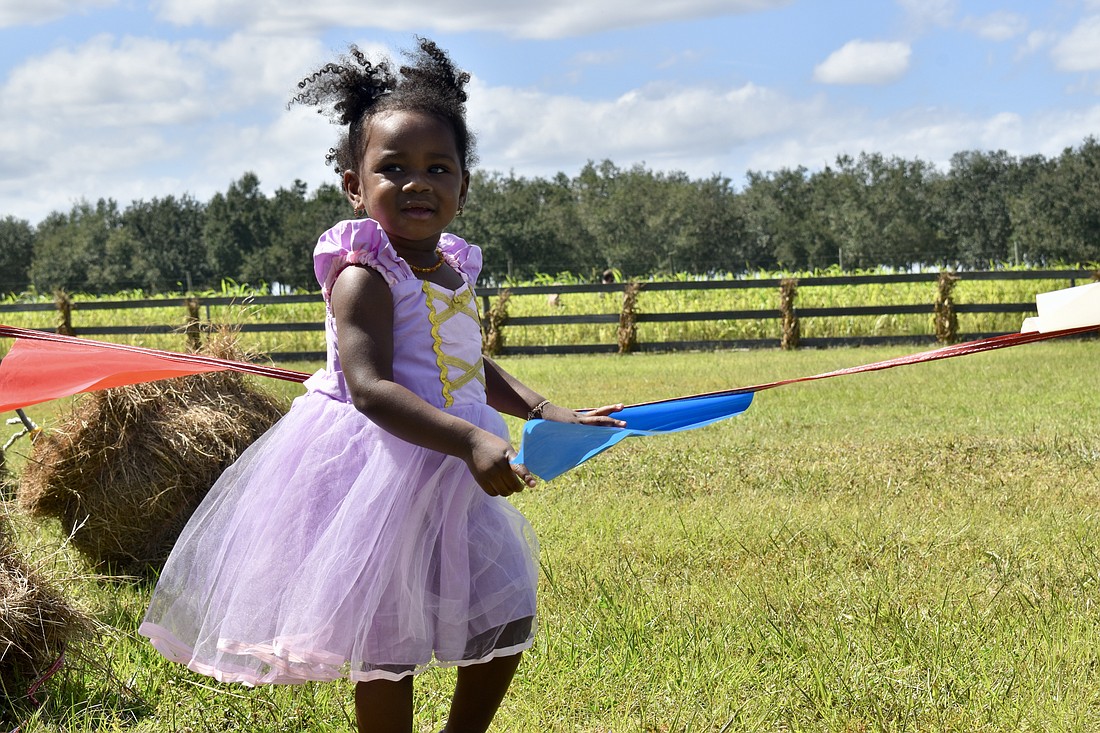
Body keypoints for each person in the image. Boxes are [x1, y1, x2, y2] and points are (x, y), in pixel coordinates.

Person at [139, 38, 624, 733]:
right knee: (385, 642)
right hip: (380, 470)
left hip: (453, 468)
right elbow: (369, 386)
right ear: (354, 185)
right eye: (392, 168)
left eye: (438, 167)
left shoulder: (452, 271)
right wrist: (471, 439)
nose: (417, 182)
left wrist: (545, 407)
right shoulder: (365, 275)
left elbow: (463, 360)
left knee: (506, 605)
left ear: (464, 184)